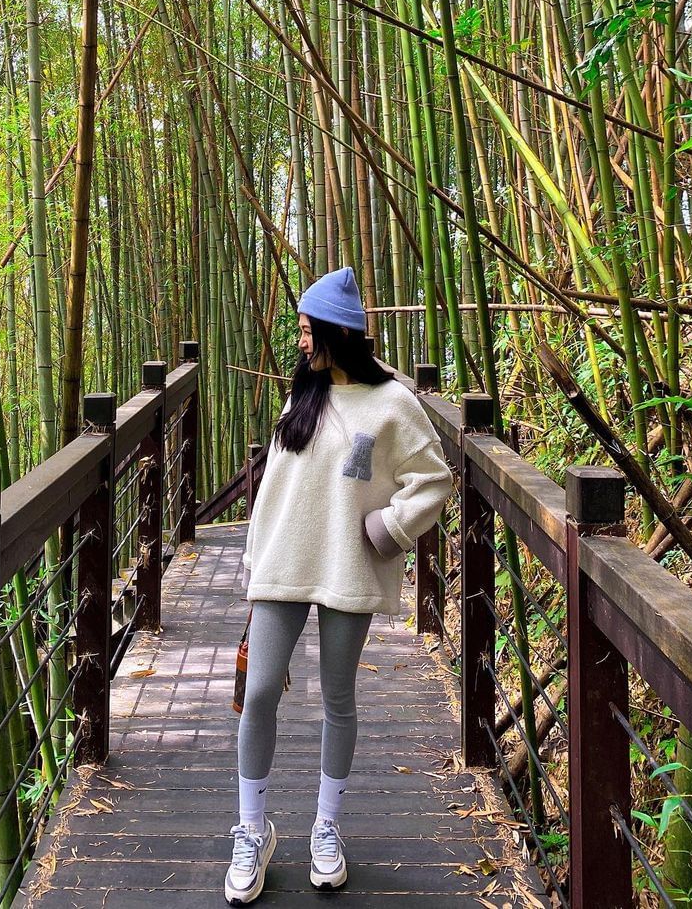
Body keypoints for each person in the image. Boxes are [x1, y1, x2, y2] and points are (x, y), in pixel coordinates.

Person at [225, 266, 455, 905]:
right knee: (262, 689)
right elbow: (273, 492)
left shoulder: (392, 404)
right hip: (282, 564)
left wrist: (388, 528)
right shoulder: (302, 397)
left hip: (347, 565)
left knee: (337, 697)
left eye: (306, 330)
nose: (299, 342)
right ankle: (252, 829)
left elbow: (434, 478)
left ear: (335, 334)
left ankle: (326, 828)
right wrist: (253, 562)